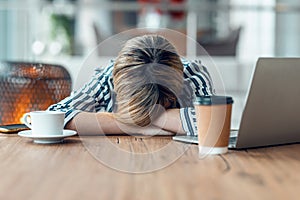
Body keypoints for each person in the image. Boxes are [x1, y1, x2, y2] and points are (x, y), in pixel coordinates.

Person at [48, 34, 215, 136]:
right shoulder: (109, 77)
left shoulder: (193, 75)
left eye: (162, 105)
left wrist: (143, 117)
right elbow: (53, 117)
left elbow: (213, 124)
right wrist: (139, 126)